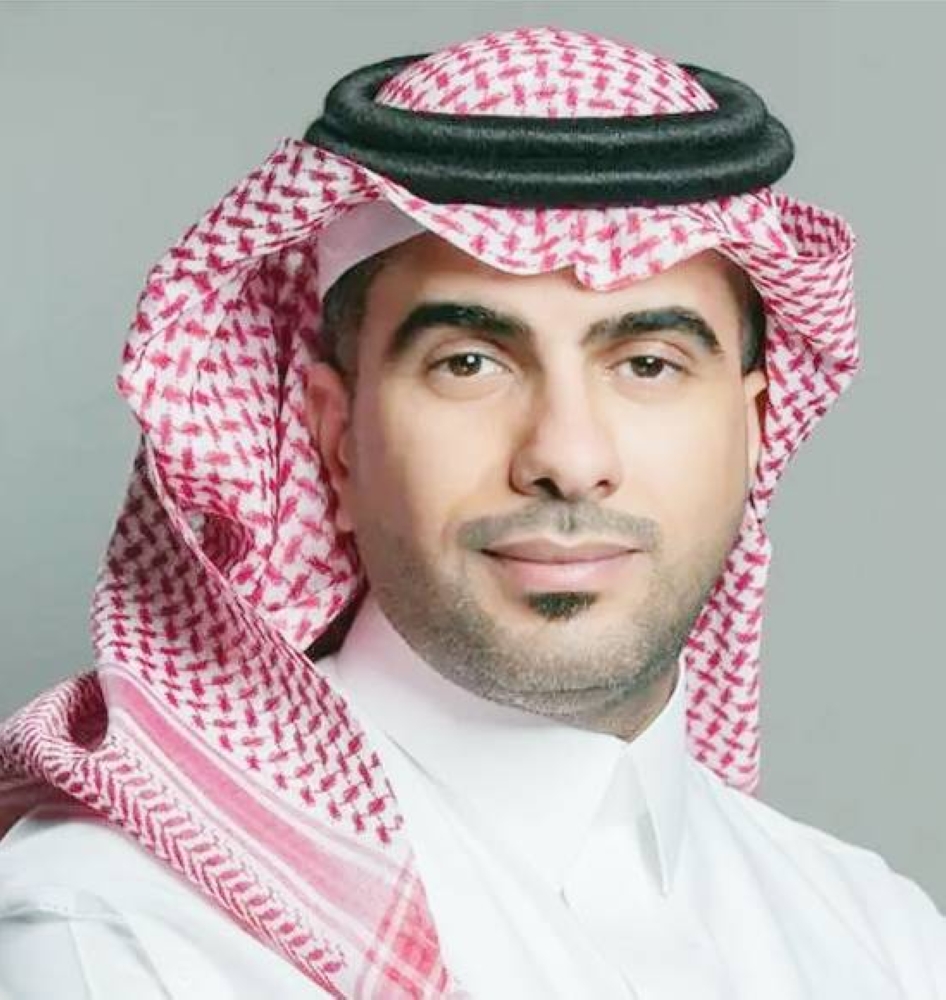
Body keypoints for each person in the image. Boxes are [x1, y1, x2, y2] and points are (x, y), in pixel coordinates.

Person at [0, 25, 943, 1000]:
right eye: (470, 363)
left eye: (648, 364)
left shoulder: (883, 937)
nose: (568, 459)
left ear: (752, 430)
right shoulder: (121, 936)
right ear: (336, 438)